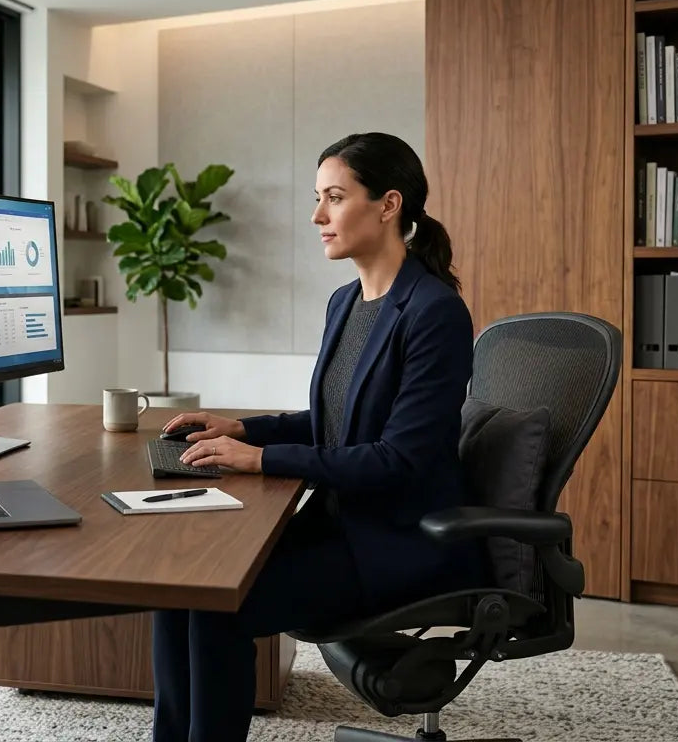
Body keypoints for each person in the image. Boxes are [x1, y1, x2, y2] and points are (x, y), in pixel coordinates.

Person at [153, 132, 489, 742]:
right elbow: (337, 421)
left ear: (388, 205)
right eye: (318, 198)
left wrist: (261, 459)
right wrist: (243, 429)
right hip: (339, 523)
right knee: (185, 587)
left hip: (397, 540)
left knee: (215, 609)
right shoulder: (345, 302)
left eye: (333, 198)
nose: (317, 217)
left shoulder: (433, 312)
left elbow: (399, 459)